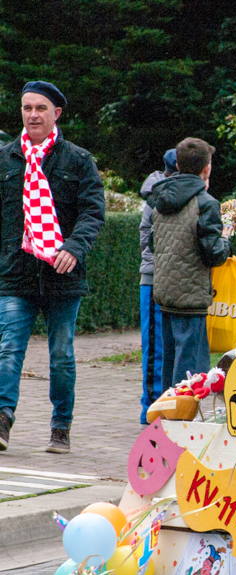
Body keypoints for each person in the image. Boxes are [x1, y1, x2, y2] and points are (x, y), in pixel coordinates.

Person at [0, 81, 104, 453]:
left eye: (40, 108)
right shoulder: (6, 158)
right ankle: (3, 420)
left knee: (61, 356)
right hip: (15, 274)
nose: (32, 115)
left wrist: (74, 248)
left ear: (56, 113)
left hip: (63, 274)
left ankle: (61, 427)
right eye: (27, 108)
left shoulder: (77, 160)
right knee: (9, 348)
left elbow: (93, 212)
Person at [149, 138, 231, 389]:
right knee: (193, 370)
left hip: (165, 292)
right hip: (192, 296)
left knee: (171, 362)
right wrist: (226, 240)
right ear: (206, 169)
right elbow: (213, 254)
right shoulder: (206, 203)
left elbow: (153, 243)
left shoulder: (161, 198)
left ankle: (166, 418)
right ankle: (182, 422)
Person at [137, 149, 176, 424]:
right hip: (154, 279)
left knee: (172, 348)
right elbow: (146, 239)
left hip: (179, 283)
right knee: (155, 351)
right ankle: (151, 409)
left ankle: (171, 406)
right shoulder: (156, 197)